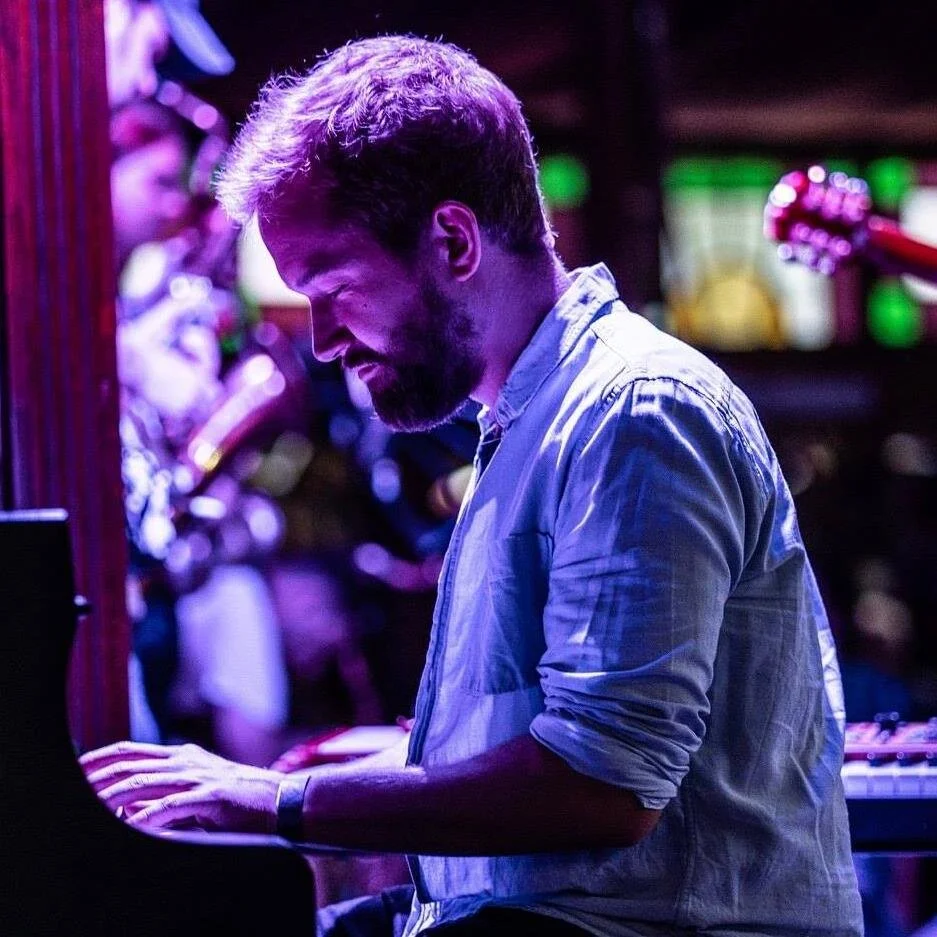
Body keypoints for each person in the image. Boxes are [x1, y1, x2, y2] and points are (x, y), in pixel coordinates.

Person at [82, 35, 864, 937]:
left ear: (453, 241)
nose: (323, 342)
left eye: (334, 287)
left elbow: (603, 789)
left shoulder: (634, 411)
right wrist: (386, 764)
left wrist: (280, 800)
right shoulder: (538, 417)